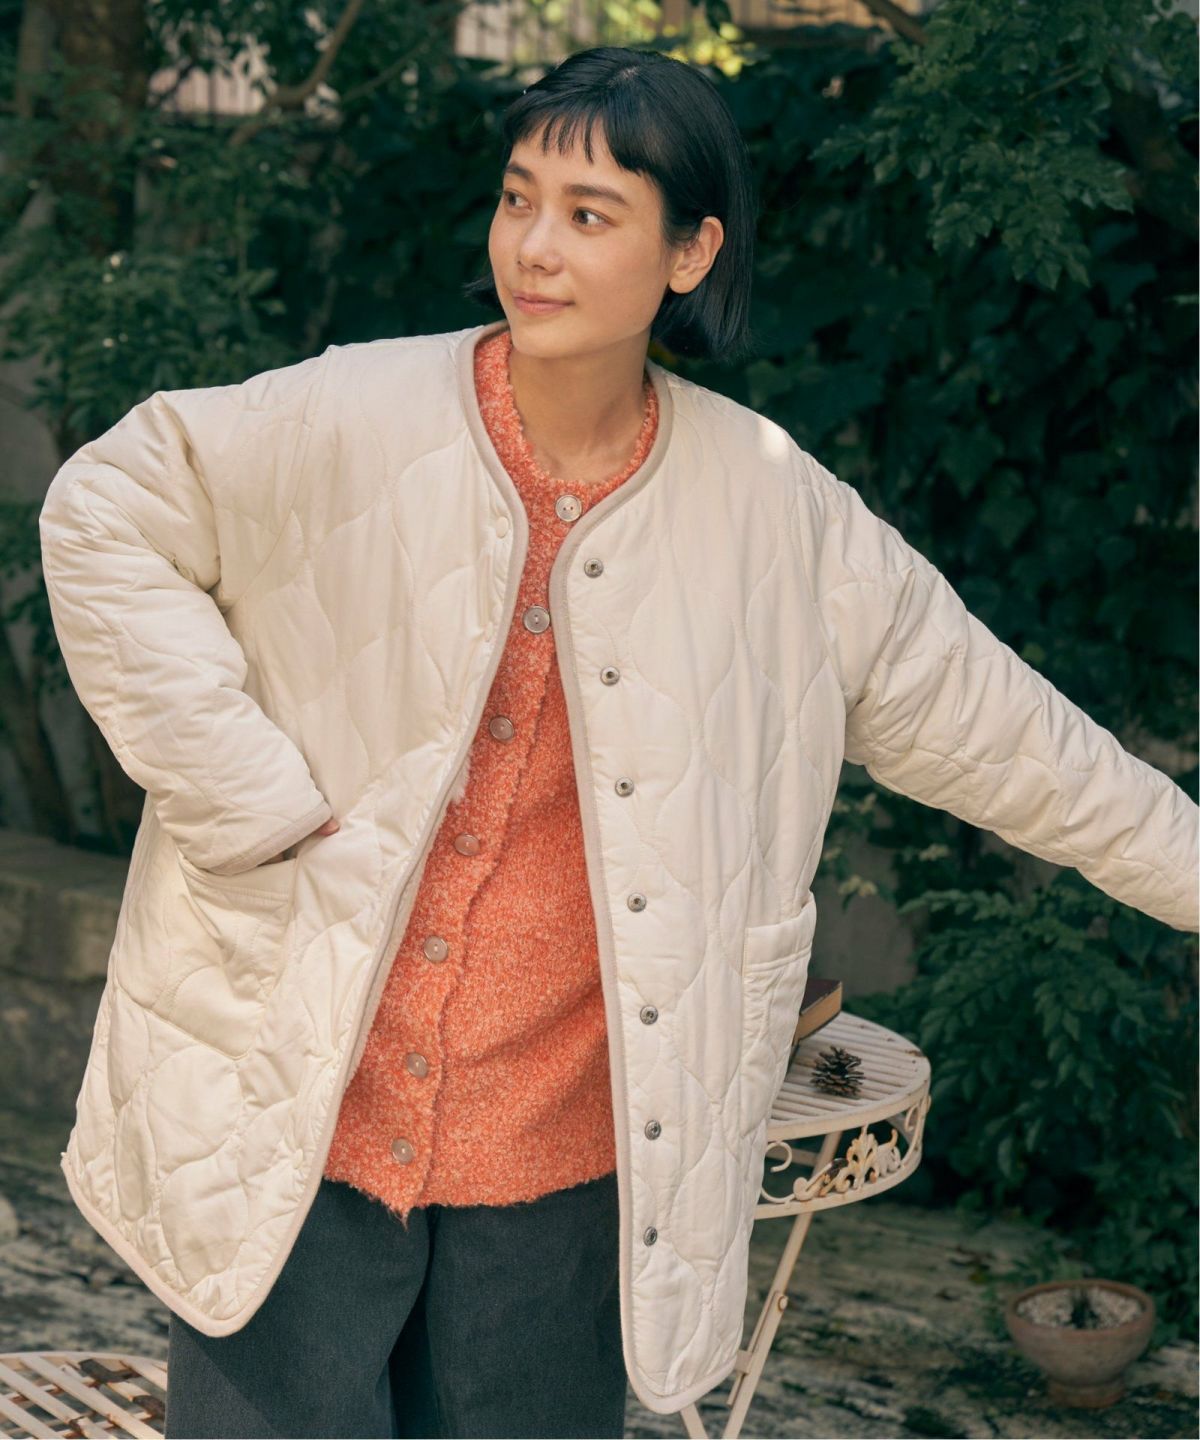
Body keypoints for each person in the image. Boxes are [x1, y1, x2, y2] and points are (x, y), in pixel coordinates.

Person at [37, 44, 1198, 1440]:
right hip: (294, 1121)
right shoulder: (346, 415)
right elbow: (103, 512)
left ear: (692, 252)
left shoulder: (776, 513)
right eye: (518, 198)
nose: (534, 246)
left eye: (589, 214)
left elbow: (1026, 748)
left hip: (560, 1179)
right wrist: (243, 794)